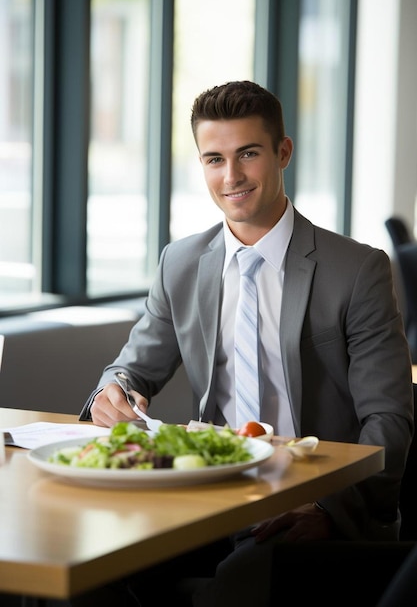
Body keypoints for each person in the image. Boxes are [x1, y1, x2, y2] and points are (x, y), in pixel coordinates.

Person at [78, 80, 413, 606]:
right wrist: (111, 393)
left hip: (314, 507)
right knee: (88, 572)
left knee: (233, 589)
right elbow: (130, 370)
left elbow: (388, 421)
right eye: (214, 159)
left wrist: (328, 508)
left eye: (247, 155)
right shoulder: (180, 264)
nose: (230, 176)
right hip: (209, 501)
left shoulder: (358, 270)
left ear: (283, 153)